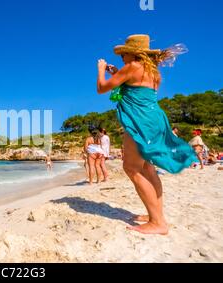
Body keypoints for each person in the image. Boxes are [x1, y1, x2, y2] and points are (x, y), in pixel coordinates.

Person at [97, 34, 196, 235]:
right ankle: (156, 215)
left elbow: (102, 88)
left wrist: (100, 70)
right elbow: (135, 88)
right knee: (148, 168)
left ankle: (158, 222)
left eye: (124, 53)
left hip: (140, 122)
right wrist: (117, 72)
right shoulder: (153, 71)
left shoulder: (132, 67)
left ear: (132, 53)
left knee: (132, 168)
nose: (121, 57)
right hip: (155, 119)